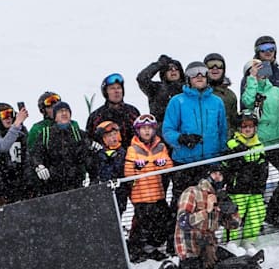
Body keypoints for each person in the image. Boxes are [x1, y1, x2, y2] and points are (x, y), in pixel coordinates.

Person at [162, 62, 229, 200]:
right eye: (194, 73)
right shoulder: (177, 101)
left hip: (211, 161)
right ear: (188, 78)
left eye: (203, 72)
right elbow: (167, 130)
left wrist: (222, 155)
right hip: (185, 163)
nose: (199, 76)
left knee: (209, 204)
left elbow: (222, 130)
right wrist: (182, 139)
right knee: (184, 205)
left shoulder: (217, 102)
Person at [240, 58, 279, 224]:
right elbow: (247, 101)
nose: (260, 72)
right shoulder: (250, 90)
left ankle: (273, 212)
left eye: (261, 68)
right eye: (255, 69)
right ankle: (254, 220)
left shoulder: (276, 91)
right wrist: (252, 79)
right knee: (257, 183)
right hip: (259, 143)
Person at [124, 114, 173, 263]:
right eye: (143, 129)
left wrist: (161, 163)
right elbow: (128, 173)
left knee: (161, 221)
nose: (147, 132)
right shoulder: (133, 149)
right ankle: (138, 249)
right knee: (142, 224)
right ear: (138, 131)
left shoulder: (160, 146)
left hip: (157, 193)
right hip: (141, 195)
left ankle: (153, 247)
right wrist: (138, 172)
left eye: (150, 128)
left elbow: (169, 166)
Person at [173, 166, 242, 269]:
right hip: (189, 247)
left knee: (237, 264)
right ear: (208, 175)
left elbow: (233, 225)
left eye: (221, 175)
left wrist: (233, 211)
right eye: (215, 173)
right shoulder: (192, 192)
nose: (217, 177)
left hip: (210, 247)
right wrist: (206, 210)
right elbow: (183, 222)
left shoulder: (222, 197)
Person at [223, 111, 267, 253]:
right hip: (238, 189)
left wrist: (260, 181)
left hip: (254, 188)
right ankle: (231, 242)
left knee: (257, 213)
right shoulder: (232, 144)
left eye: (250, 126)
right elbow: (225, 166)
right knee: (235, 214)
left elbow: (263, 166)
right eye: (244, 126)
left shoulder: (259, 146)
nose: (247, 129)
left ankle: (249, 241)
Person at [29, 101, 91, 197]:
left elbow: (87, 154)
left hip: (75, 184)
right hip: (51, 185)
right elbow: (36, 153)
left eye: (66, 111)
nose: (64, 113)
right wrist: (39, 165)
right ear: (55, 116)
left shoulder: (79, 134)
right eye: (60, 111)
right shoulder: (46, 134)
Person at [0, 103, 30, 202]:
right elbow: (3, 146)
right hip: (5, 183)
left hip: (22, 183)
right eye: (4, 115)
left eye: (11, 114)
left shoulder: (21, 132)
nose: (8, 118)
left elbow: (28, 153)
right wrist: (16, 125)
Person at [87, 73, 142, 146]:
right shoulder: (96, 116)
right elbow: (89, 140)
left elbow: (142, 135)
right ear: (106, 92)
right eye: (112, 88)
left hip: (131, 155)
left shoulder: (133, 112)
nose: (116, 91)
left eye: (119, 88)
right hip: (105, 156)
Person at [90, 122, 129, 213]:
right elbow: (103, 173)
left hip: (121, 192)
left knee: (120, 211)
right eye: (110, 135)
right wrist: (109, 159)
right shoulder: (99, 155)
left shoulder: (124, 152)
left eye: (115, 134)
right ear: (103, 139)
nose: (114, 137)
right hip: (106, 193)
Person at [136, 56, 186, 124]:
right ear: (164, 73)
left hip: (184, 129)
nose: (173, 70)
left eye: (176, 68)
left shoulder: (188, 89)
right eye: (169, 69)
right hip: (161, 130)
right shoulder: (156, 88)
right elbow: (142, 79)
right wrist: (159, 64)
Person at [205, 53, 240, 131]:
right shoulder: (198, 92)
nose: (215, 68)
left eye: (219, 65)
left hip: (224, 139)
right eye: (210, 65)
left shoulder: (230, 95)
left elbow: (233, 121)